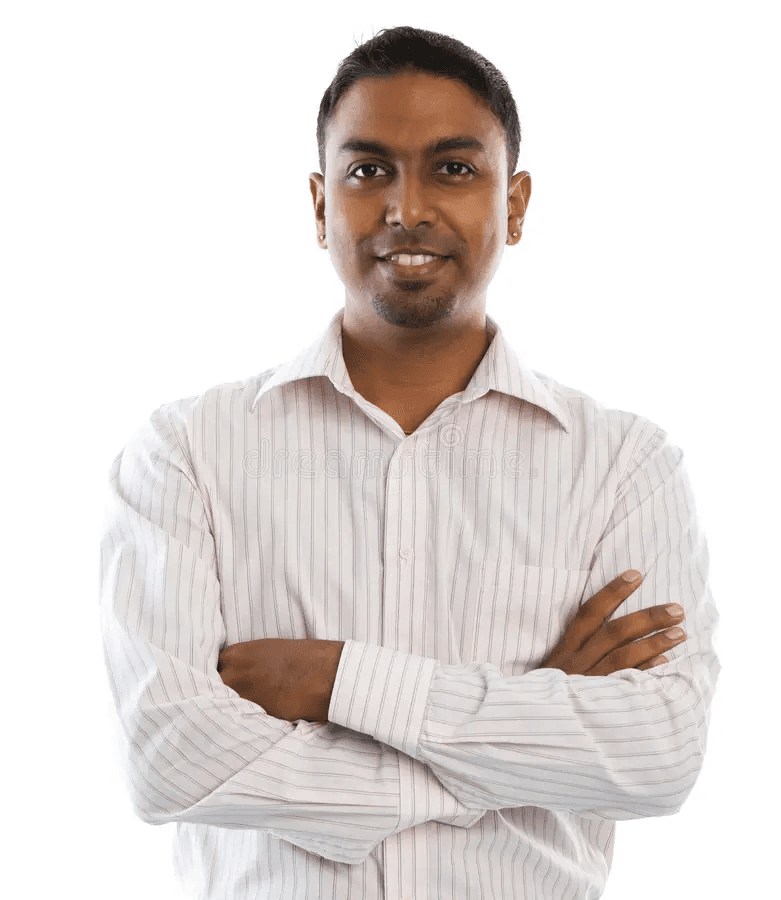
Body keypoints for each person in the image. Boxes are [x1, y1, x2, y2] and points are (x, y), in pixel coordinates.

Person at [99, 25, 720, 899]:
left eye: (453, 168)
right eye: (367, 171)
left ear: (515, 202)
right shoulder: (188, 453)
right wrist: (531, 725)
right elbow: (171, 761)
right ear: (319, 204)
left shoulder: (624, 464)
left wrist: (338, 679)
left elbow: (657, 756)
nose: (406, 208)